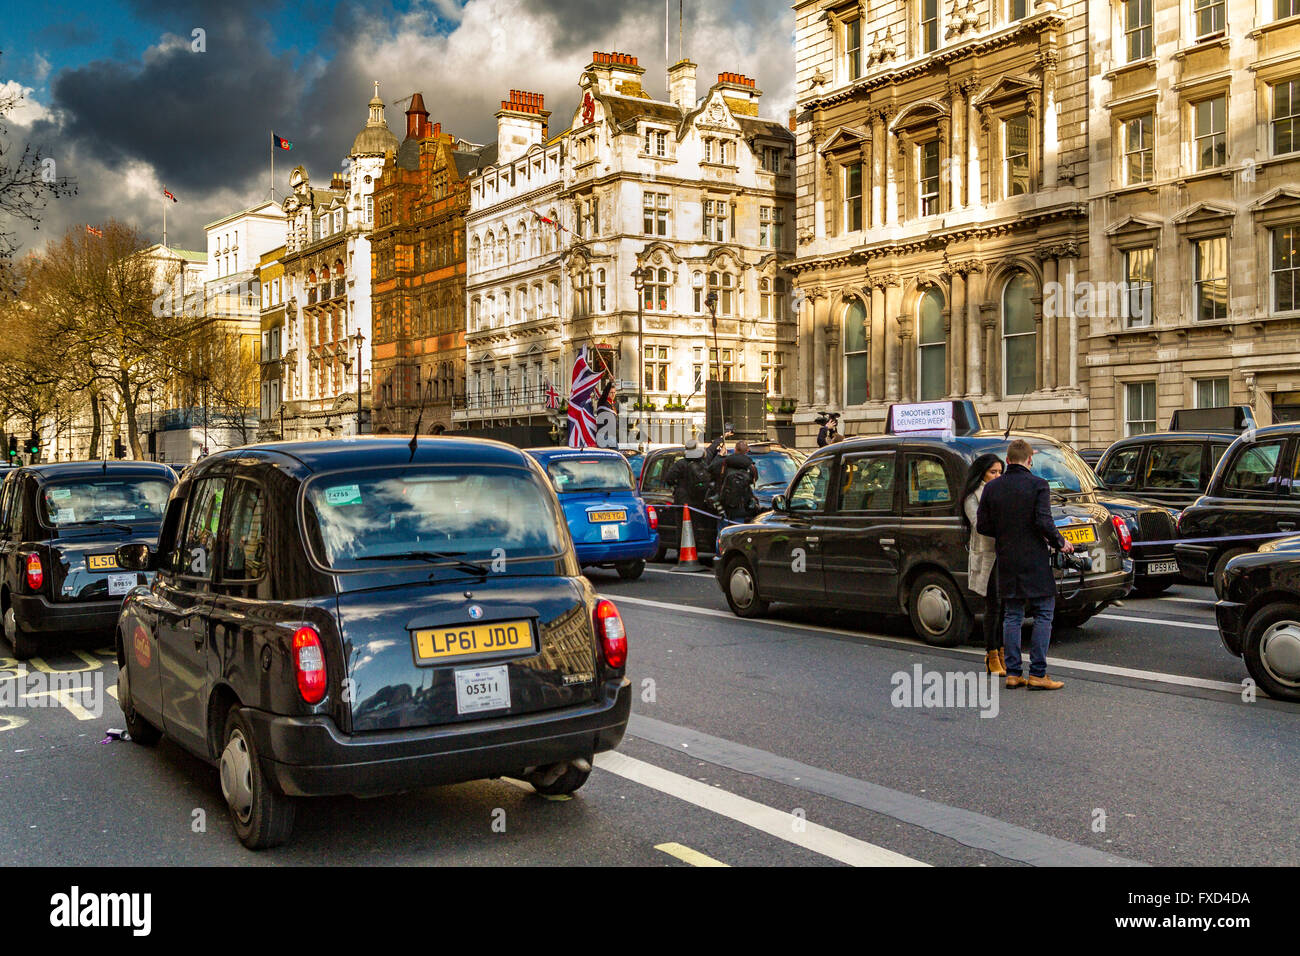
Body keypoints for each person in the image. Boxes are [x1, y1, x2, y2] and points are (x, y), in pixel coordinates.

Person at [976, 438, 1074, 690]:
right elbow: (1043, 521)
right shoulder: (1038, 485)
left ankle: (1014, 673)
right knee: (1043, 612)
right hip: (1034, 558)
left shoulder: (992, 488)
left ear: (1007, 461)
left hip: (1006, 558)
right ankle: (1038, 674)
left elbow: (983, 526)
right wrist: (1061, 542)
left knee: (1012, 615)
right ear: (1030, 460)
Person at [962, 454, 1005, 676]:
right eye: (993, 472)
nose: (997, 476)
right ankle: (992, 655)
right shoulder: (973, 496)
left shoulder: (1003, 491)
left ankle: (1003, 651)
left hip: (1005, 554)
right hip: (987, 555)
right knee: (993, 605)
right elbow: (979, 525)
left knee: (1006, 605)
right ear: (982, 473)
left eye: (1000, 472)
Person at [713, 439, 760, 522]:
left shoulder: (724, 462)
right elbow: (754, 479)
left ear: (735, 449)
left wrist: (720, 456)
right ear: (747, 451)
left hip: (723, 506)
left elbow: (710, 469)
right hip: (742, 506)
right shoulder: (751, 466)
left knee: (722, 531)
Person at [664, 440, 711, 515]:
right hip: (699, 500)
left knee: (682, 524)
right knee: (695, 524)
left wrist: (677, 486)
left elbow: (669, 478)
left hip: (682, 501)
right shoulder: (703, 462)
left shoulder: (680, 464)